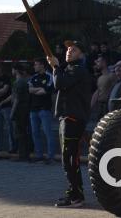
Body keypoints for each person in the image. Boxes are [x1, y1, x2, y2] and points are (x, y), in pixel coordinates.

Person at [47, 41, 92, 208]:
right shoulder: (70, 70)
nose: (69, 51)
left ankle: (76, 196)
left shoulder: (78, 70)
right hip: (68, 118)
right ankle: (74, 193)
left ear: (81, 55)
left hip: (73, 119)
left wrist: (56, 67)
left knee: (70, 159)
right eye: (67, 49)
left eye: (74, 50)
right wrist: (57, 68)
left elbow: (60, 84)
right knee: (69, 158)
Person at [28, 58, 57, 164]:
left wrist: (36, 90)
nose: (34, 66)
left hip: (44, 109)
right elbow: (29, 90)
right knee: (35, 133)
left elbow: (45, 91)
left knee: (48, 133)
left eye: (36, 64)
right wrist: (38, 89)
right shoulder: (33, 77)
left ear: (42, 65)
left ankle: (51, 156)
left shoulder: (49, 76)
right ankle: (39, 155)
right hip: (33, 109)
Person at [10, 64, 31, 162]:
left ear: (16, 70)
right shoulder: (24, 81)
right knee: (23, 132)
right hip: (24, 109)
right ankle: (24, 154)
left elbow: (17, 99)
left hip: (20, 110)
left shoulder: (19, 82)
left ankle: (23, 155)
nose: (12, 71)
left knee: (20, 133)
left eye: (13, 69)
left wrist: (12, 112)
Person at [90, 55, 115, 125]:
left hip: (108, 106)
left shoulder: (112, 76)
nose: (96, 63)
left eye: (98, 61)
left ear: (104, 63)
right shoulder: (100, 78)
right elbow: (97, 92)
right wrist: (90, 107)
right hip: (100, 107)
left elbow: (115, 92)